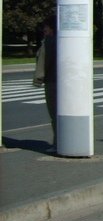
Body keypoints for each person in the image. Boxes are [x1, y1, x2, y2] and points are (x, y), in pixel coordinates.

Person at [37, 16, 58, 150]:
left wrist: (38, 79)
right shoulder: (63, 41)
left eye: (46, 27)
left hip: (52, 81)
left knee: (55, 114)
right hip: (64, 82)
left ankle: (58, 143)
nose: (44, 29)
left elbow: (43, 62)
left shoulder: (49, 42)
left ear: (51, 28)